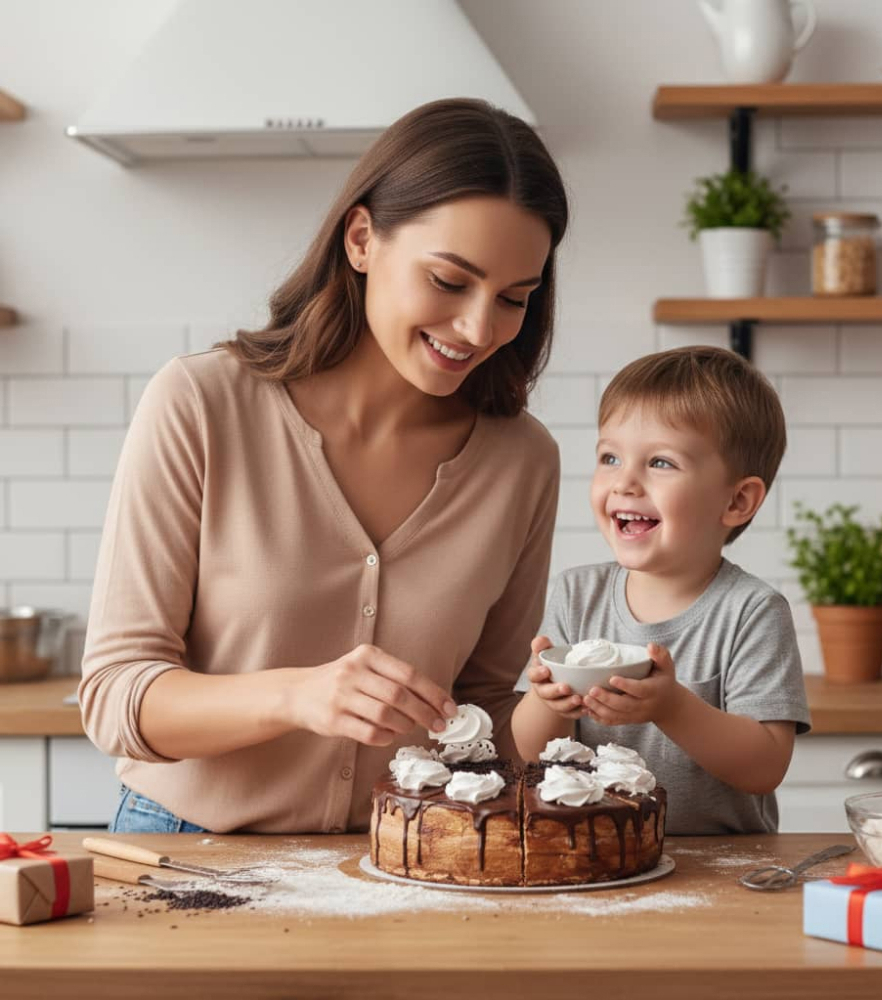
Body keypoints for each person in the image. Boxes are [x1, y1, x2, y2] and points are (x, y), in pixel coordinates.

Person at [79, 98, 569, 834]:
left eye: (513, 299)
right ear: (363, 238)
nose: (478, 328)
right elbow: (115, 696)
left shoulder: (522, 462)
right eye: (448, 281)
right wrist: (295, 696)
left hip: (406, 862)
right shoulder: (202, 405)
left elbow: (487, 714)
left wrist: (560, 707)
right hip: (186, 853)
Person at [511, 346, 811, 834]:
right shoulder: (576, 594)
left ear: (737, 500)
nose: (624, 482)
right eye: (610, 456)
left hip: (720, 873)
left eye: (661, 463)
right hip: (596, 858)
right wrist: (547, 701)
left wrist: (672, 707)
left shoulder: (751, 611)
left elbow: (766, 766)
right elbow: (529, 752)